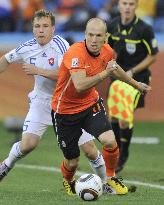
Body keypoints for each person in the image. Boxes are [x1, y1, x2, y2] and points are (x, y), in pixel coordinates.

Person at [0, 10, 107, 190]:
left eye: (45, 26)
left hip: (68, 104)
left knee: (89, 149)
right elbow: (5, 60)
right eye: (37, 26)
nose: (41, 30)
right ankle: (5, 166)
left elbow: (69, 76)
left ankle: (106, 182)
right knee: (28, 145)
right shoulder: (26, 47)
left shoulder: (61, 46)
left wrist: (38, 70)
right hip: (41, 102)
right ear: (33, 29)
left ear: (53, 29)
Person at [51, 17, 151, 196]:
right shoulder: (76, 53)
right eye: (90, 35)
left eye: (98, 35)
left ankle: (111, 177)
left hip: (90, 105)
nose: (94, 39)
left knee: (110, 141)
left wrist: (136, 84)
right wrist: (106, 73)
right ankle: (68, 180)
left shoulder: (107, 51)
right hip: (65, 111)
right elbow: (80, 85)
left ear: (105, 37)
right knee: (72, 161)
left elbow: (115, 68)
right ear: (85, 35)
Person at [107, 0, 158, 173]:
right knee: (113, 117)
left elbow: (153, 56)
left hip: (139, 79)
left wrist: (132, 70)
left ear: (136, 6)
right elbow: (108, 49)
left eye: (131, 4)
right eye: (124, 3)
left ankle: (123, 154)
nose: (127, 7)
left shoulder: (144, 28)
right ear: (119, 6)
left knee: (123, 116)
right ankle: (114, 152)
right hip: (118, 79)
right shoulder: (112, 26)